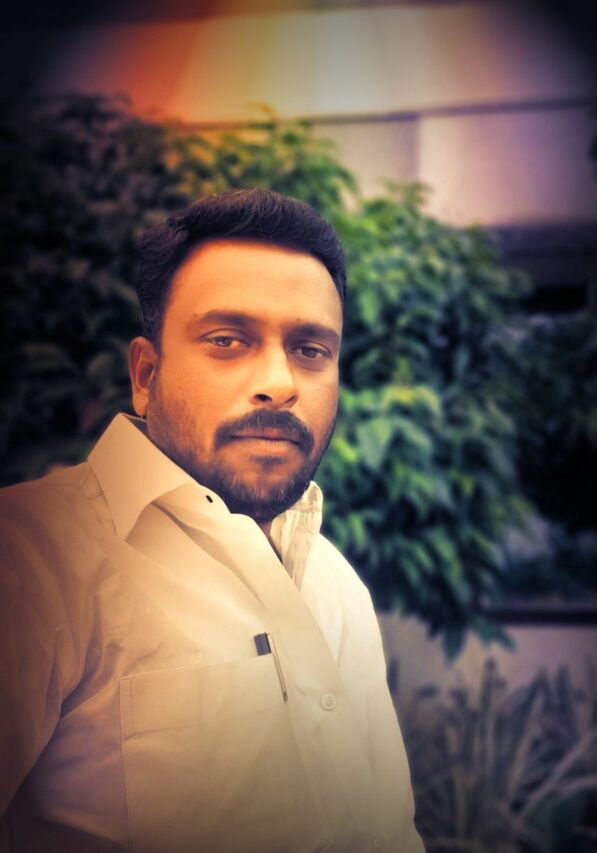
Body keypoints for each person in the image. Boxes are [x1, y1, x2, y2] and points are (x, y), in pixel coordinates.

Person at [0, 188, 425, 853]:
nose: (280, 382)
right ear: (146, 375)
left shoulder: (336, 582)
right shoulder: (33, 559)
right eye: (227, 340)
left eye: (311, 349)